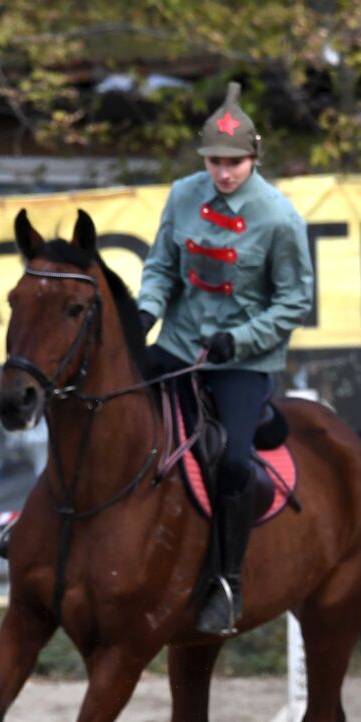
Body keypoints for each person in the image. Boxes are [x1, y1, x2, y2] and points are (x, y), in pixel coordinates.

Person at [136, 81, 313, 636]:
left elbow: (295, 301)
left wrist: (243, 339)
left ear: (253, 158)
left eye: (235, 162)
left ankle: (227, 581)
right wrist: (145, 313)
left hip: (242, 359)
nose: (224, 172)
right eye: (215, 161)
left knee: (234, 460)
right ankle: (39, 530)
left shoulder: (280, 218)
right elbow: (162, 265)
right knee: (102, 406)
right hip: (178, 343)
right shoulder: (181, 195)